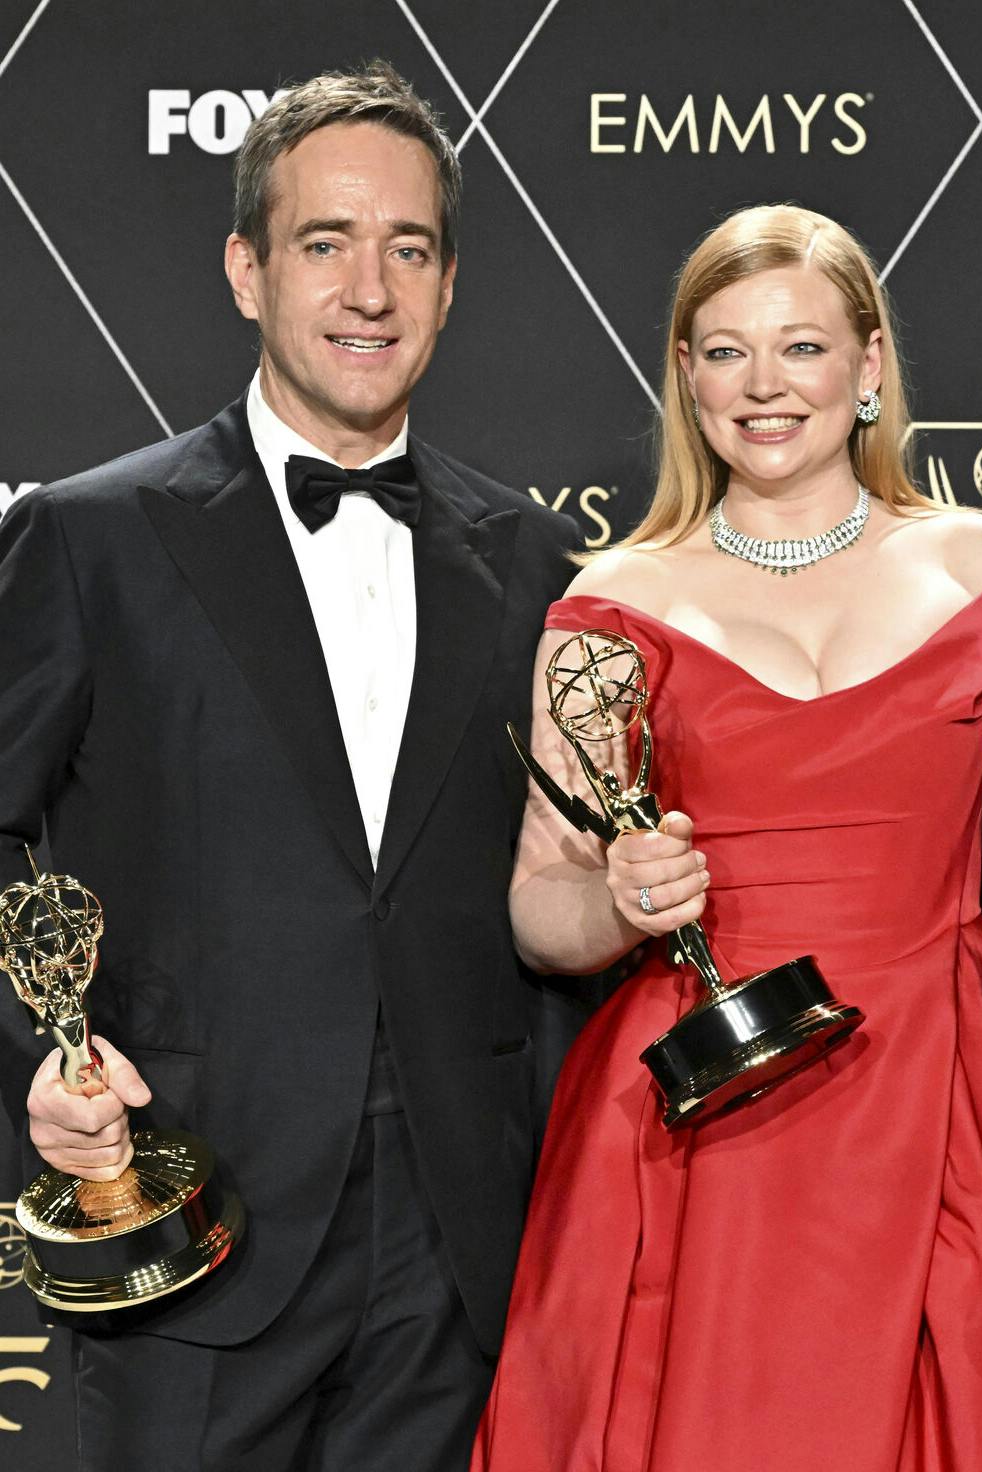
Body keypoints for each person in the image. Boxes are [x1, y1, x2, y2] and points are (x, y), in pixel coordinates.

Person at [0, 63, 581, 1471]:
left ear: (449, 284)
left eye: (410, 248)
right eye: (326, 244)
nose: (369, 289)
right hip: (187, 1213)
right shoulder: (92, 540)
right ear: (247, 270)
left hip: (454, 1248)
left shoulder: (532, 563)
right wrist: (44, 1067)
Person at [472, 204, 982, 1472]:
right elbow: (542, 903)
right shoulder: (612, 603)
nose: (762, 387)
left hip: (939, 1090)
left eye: (799, 348)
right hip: (704, 1110)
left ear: (867, 368)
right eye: (722, 351)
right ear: (685, 377)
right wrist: (621, 904)